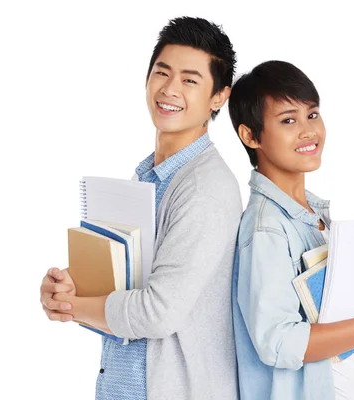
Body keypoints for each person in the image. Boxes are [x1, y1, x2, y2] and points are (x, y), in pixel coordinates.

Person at [41, 17, 242, 400]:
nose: (169, 89)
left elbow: (156, 313)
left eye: (189, 80)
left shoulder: (205, 187)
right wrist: (69, 291)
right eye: (161, 73)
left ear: (219, 97)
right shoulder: (148, 178)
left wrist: (72, 306)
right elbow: (122, 297)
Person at [228, 60, 354, 399]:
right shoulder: (267, 229)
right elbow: (278, 343)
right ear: (250, 136)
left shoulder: (315, 218)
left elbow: (335, 322)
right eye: (288, 120)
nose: (308, 131)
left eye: (312, 115)